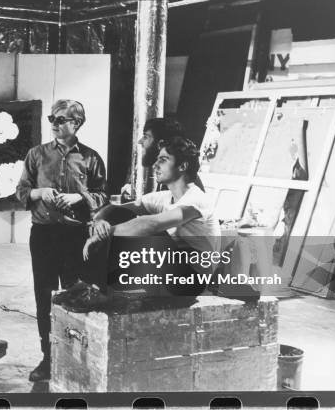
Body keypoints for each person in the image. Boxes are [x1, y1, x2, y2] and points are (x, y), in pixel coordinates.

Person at [16, 99, 107, 382]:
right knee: (44, 297)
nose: (54, 123)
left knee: (75, 297)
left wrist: (79, 197)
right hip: (43, 235)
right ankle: (48, 357)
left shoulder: (91, 158)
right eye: (51, 118)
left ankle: (76, 356)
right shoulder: (36, 154)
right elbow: (20, 191)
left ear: (76, 123)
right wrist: (38, 193)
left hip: (76, 237)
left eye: (61, 118)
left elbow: (104, 196)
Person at [85, 136, 220, 296]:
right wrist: (99, 221)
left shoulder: (197, 199)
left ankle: (103, 288)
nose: (155, 165)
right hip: (170, 273)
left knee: (154, 232)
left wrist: (105, 234)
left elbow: (151, 225)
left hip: (192, 282)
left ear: (182, 166)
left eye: (163, 160)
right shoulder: (163, 197)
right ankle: (96, 288)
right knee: (119, 216)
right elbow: (115, 209)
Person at [121, 117, 204, 200]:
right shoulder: (164, 173)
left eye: (146, 136)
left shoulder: (180, 181)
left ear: (160, 143)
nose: (140, 141)